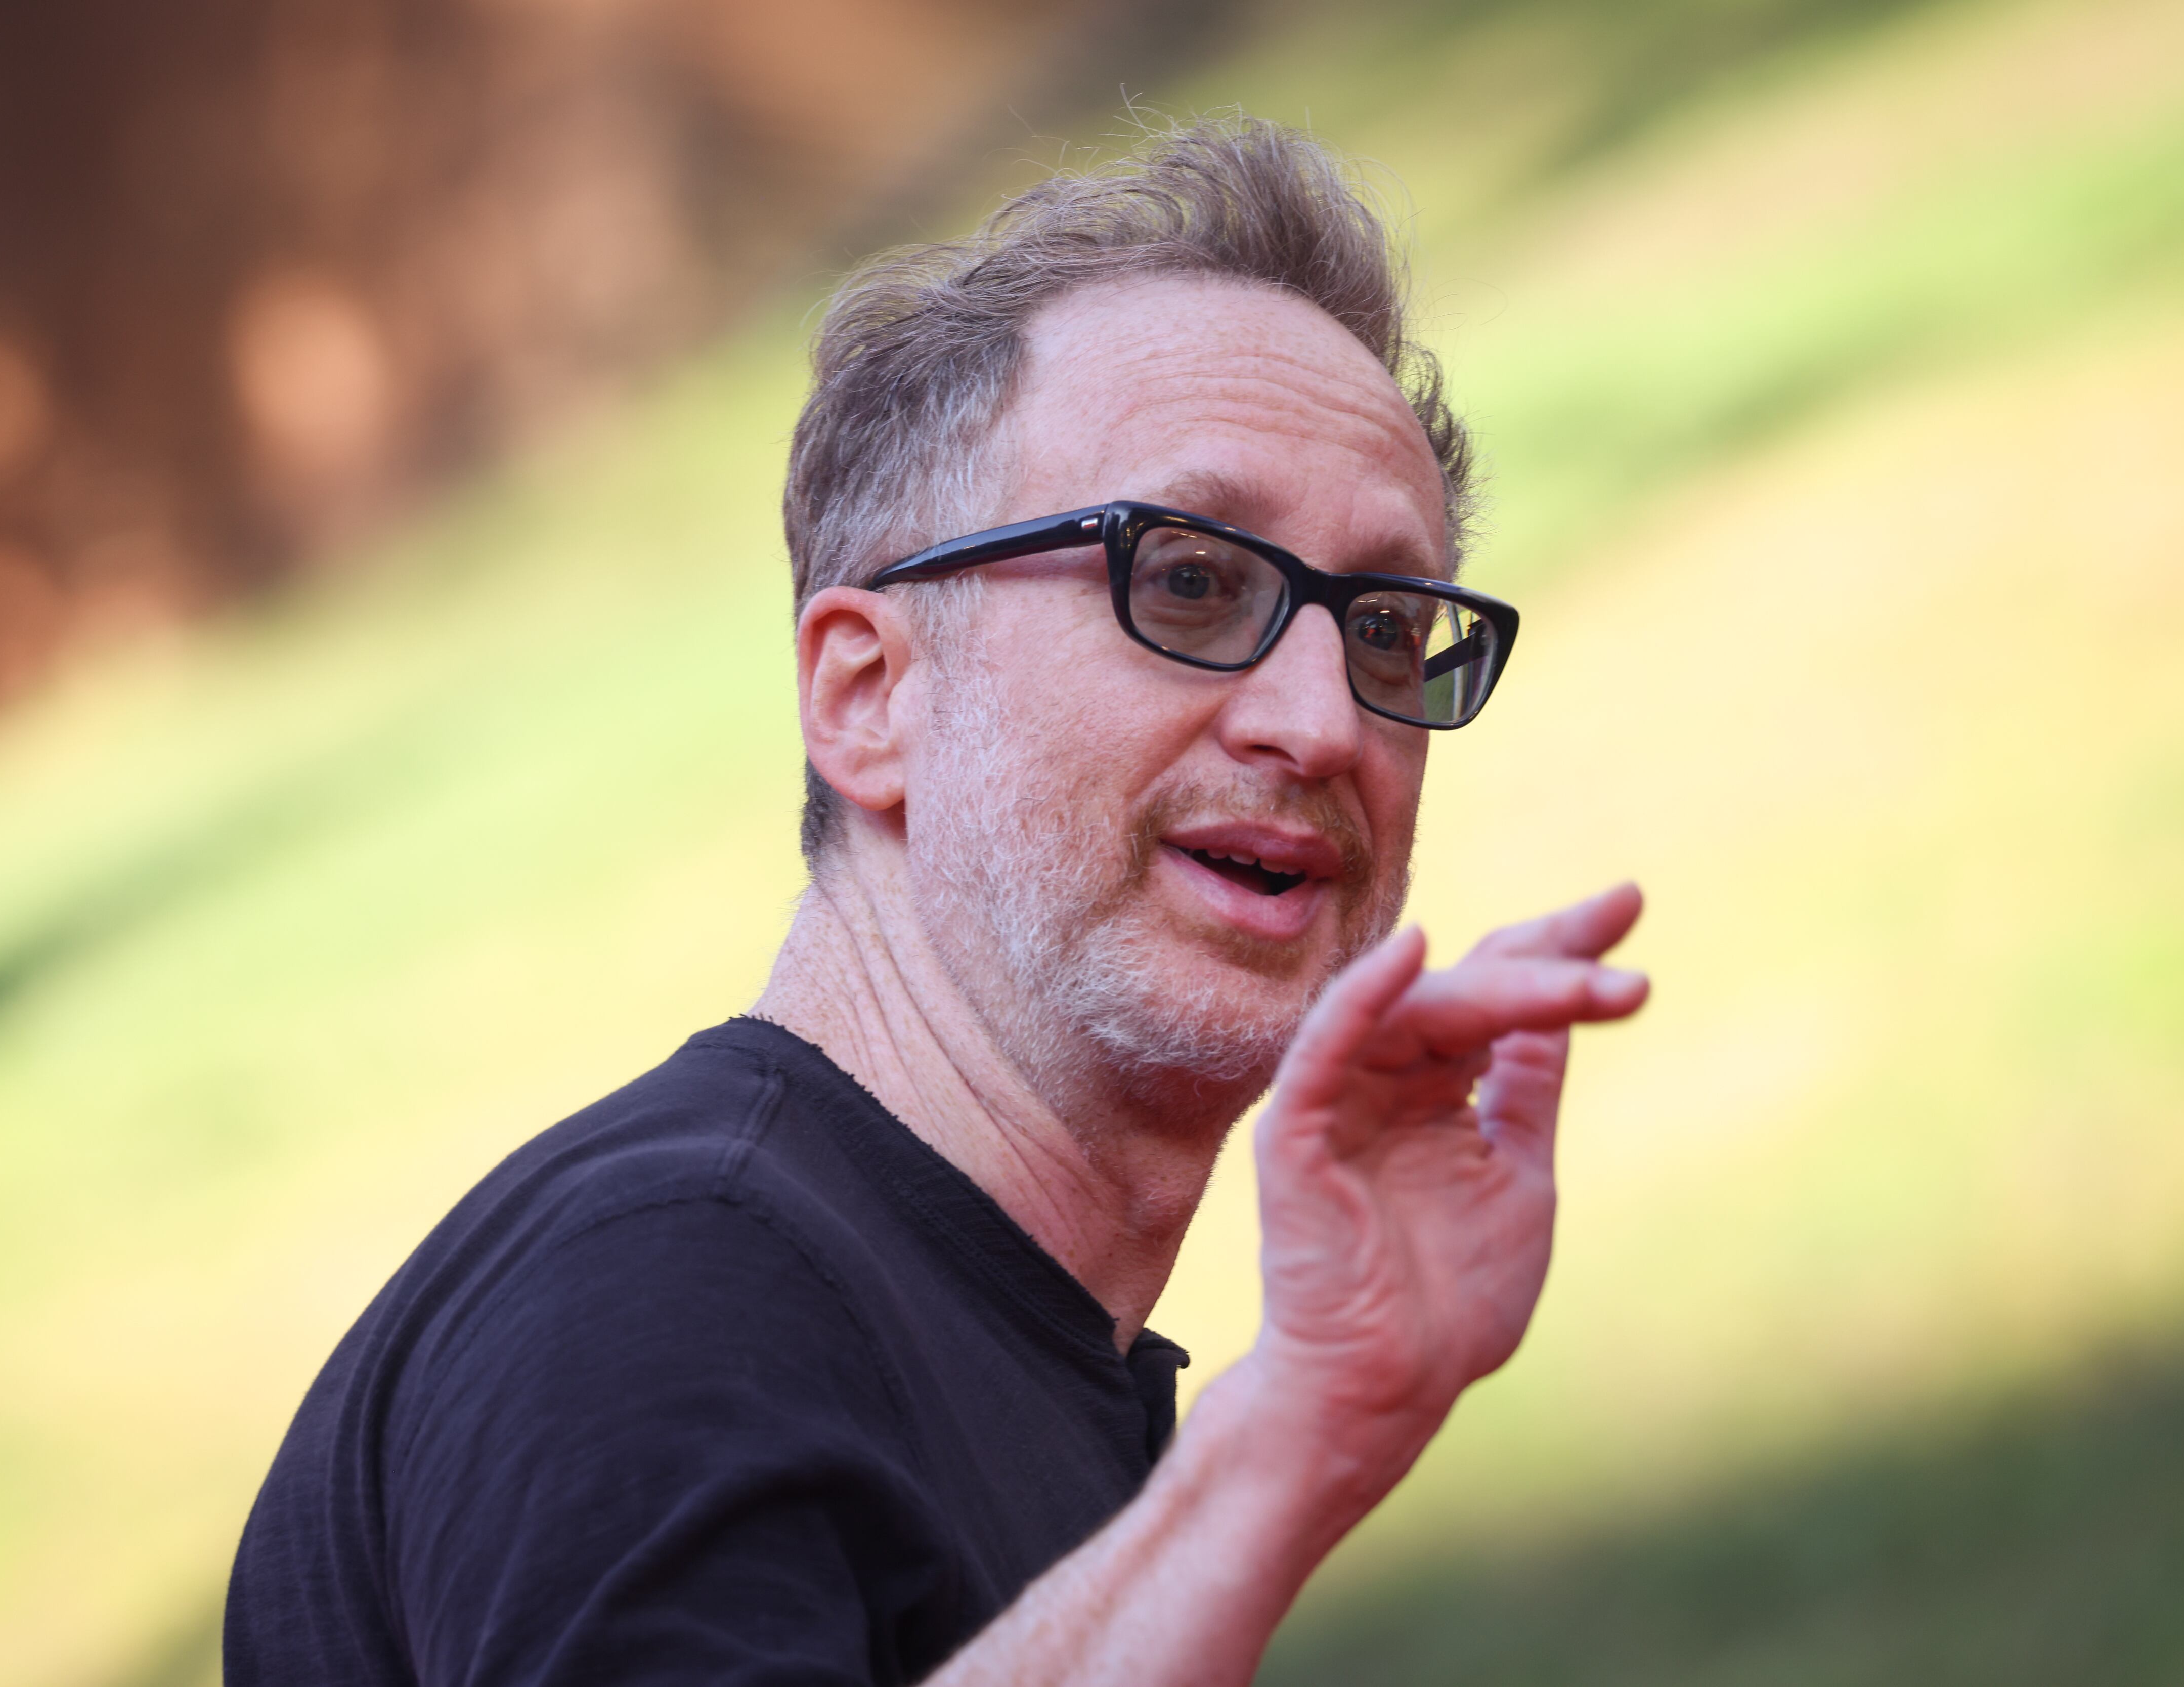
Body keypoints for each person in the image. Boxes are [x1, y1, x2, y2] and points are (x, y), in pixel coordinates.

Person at [226, 115, 1647, 1685]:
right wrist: (1282, 1442)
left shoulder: (996, 1357)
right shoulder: (669, 1294)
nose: (1322, 723)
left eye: (1385, 630)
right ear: (868, 694)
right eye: (1188, 582)